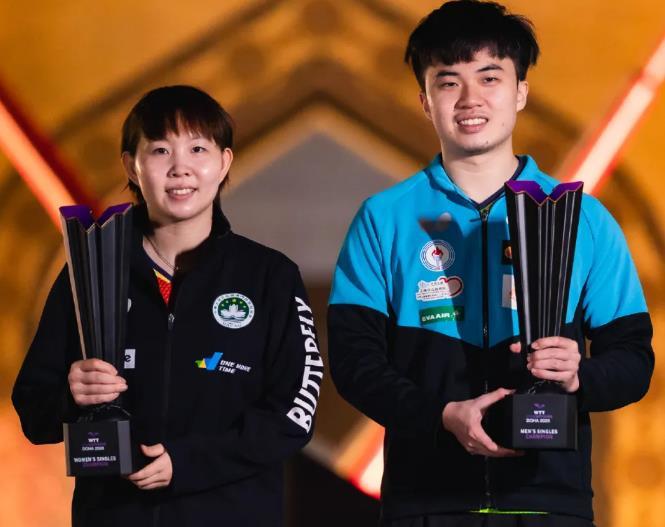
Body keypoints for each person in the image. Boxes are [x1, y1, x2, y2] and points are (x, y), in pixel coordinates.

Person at [327, 2, 653, 526]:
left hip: (549, 505)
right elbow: (353, 362)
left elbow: (634, 361)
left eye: (489, 77)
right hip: (425, 505)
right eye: (448, 82)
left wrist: (579, 376)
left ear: (521, 91)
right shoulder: (384, 218)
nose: (470, 99)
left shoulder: (581, 219)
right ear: (425, 100)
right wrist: (439, 416)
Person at [12, 85, 323, 526]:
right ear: (131, 166)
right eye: (160, 151)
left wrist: (188, 463)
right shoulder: (89, 272)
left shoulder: (270, 277)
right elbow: (33, 410)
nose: (180, 168)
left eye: (198, 149)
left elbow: (295, 413)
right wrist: (71, 395)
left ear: (224, 162)